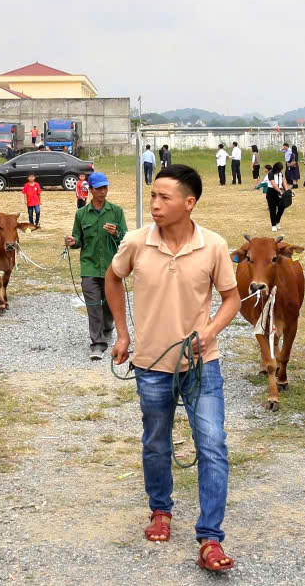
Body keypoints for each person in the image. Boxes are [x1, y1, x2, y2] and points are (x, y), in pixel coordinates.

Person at [106, 165, 241, 573]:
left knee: (213, 445)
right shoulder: (135, 242)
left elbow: (231, 299)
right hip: (150, 364)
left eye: (164, 197)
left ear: (189, 203)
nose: (155, 204)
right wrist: (123, 334)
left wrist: (209, 331)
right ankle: (160, 510)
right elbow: (113, 279)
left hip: (202, 365)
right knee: (156, 442)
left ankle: (211, 538)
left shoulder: (214, 245)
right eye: (153, 196)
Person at [65, 172, 127, 360]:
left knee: (109, 305)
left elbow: (126, 238)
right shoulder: (81, 214)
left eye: (105, 187)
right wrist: (72, 241)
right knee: (93, 306)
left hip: (111, 268)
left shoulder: (116, 211)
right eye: (98, 188)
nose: (102, 191)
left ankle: (108, 327)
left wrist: (117, 232)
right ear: (90, 190)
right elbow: (78, 240)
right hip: (90, 267)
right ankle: (97, 344)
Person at [264, 161, 288, 231]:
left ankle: (277, 221)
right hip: (271, 192)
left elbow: (284, 181)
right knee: (273, 209)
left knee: (282, 206)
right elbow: (274, 185)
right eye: (279, 170)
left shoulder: (280, 173)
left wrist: (287, 191)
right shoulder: (270, 173)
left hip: (279, 191)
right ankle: (273, 225)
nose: (280, 171)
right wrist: (280, 192)